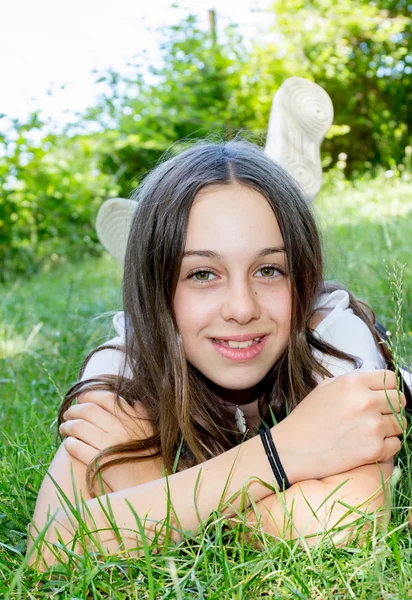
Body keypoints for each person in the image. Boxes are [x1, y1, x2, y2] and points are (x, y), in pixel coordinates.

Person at [27, 137, 410, 570]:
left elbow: (350, 517)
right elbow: (50, 549)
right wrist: (284, 453)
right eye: (203, 273)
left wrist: (151, 488)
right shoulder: (127, 364)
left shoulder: (334, 335)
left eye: (269, 270)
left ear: (300, 276)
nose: (242, 309)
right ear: (156, 292)